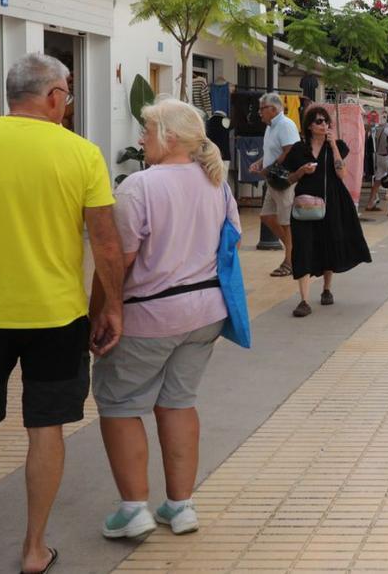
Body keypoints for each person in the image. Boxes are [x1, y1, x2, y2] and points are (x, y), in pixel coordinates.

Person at [0, 53, 125, 574]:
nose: (66, 102)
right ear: (53, 97)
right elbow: (108, 246)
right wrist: (113, 307)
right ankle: (33, 549)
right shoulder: (81, 154)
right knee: (46, 427)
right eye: (66, 92)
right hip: (57, 317)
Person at [91, 99, 239, 540]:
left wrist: (99, 310)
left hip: (150, 316)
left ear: (169, 137)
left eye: (147, 130)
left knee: (120, 404)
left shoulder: (139, 186)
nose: (141, 139)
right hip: (205, 314)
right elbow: (228, 245)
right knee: (178, 401)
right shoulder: (217, 183)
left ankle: (133, 509)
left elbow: (120, 261)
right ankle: (180, 506)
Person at [283, 107, 372, 317]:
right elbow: (289, 178)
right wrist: (301, 171)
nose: (324, 125)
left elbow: (341, 173)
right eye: (319, 122)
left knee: (328, 243)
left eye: (326, 122)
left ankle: (326, 288)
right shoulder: (298, 149)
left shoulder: (337, 146)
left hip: (332, 202)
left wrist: (332, 145)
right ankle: (304, 300)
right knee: (302, 246)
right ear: (309, 126)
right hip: (304, 203)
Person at [248, 93, 300, 277]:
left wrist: (270, 168)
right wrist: (261, 162)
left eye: (262, 108)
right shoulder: (270, 127)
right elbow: (272, 150)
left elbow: (290, 151)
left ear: (273, 109)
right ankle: (294, 251)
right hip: (272, 179)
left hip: (283, 180)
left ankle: (290, 260)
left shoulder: (286, 125)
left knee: (286, 222)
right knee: (267, 216)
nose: (259, 112)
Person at [366, 111, 388, 212]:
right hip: (387, 157)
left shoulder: (380, 128)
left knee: (377, 181)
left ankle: (370, 203)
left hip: (379, 156)